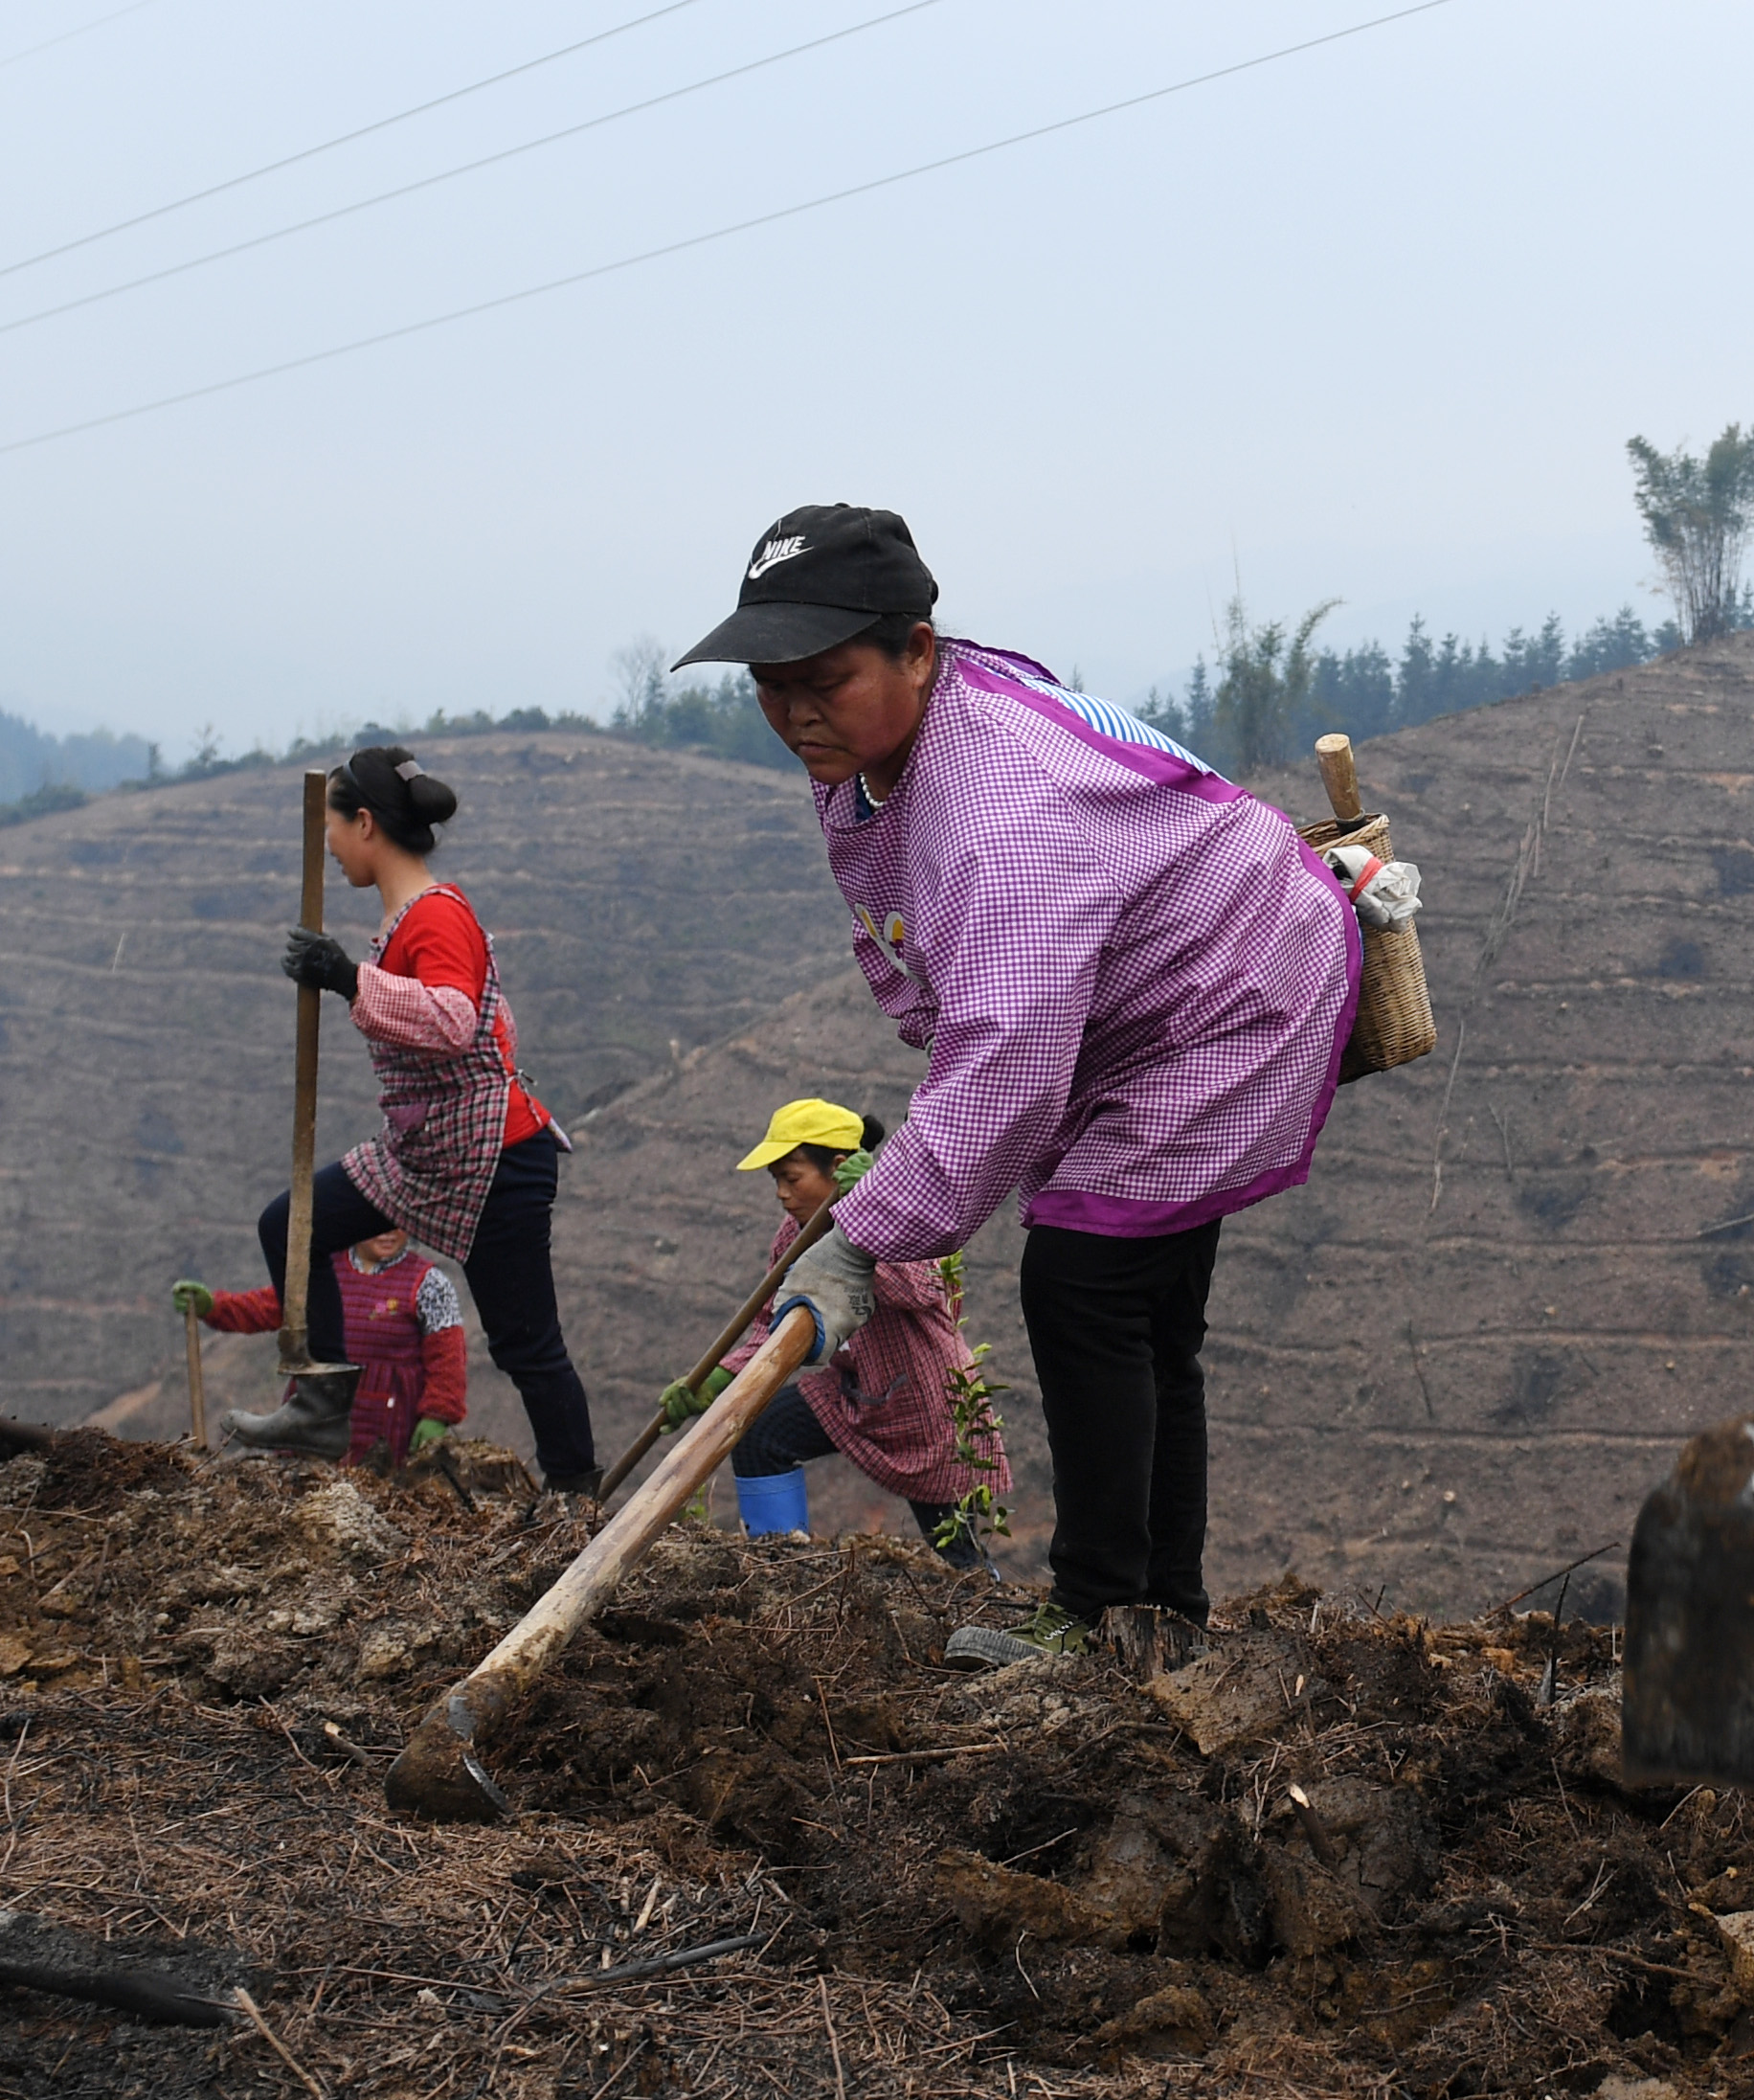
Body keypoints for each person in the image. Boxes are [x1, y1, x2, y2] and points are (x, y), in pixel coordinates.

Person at [671, 506, 1360, 1639]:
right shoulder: (892, 738)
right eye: (769, 682)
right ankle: (1160, 1616)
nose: (794, 712)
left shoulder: (1003, 813)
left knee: (1084, 1287)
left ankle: (1097, 1614)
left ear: (918, 649)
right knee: (1140, 1317)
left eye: (824, 680)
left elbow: (1007, 1060)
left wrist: (865, 1234)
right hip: (1169, 985)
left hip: (1227, 996)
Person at [228, 747, 598, 1490]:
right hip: (423, 1152)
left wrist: (343, 977)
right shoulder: (405, 922)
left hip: (495, 1155)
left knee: (526, 1344)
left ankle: (574, 1494)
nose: (328, 848)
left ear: (363, 823)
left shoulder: (437, 916)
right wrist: (347, 975)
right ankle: (323, 1400)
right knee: (290, 1224)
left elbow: (456, 1022)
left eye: (332, 828)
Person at [653, 1098, 1008, 1568]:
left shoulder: (903, 1217)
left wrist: (871, 1218)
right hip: (854, 1392)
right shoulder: (793, 1235)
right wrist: (719, 1380)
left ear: (838, 1168)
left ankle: (988, 1609)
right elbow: (773, 1324)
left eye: (792, 1178)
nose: (782, 1192)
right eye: (776, 1180)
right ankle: (779, 1566)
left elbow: (923, 1290)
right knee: (761, 1434)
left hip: (928, 1406)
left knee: (955, 1547)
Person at [172, 1231, 469, 1470]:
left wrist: (437, 1414)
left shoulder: (429, 1284)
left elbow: (447, 1358)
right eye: (375, 1224)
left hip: (390, 1420)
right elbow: (269, 1306)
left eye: (397, 1223)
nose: (387, 1233)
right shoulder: (324, 1271)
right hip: (316, 1409)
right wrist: (215, 1306)